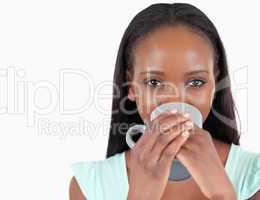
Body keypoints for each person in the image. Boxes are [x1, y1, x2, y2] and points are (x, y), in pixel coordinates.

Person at [69, 3, 260, 200]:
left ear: (216, 83)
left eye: (196, 82)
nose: (176, 99)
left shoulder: (254, 177)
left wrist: (223, 193)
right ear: (131, 87)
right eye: (154, 82)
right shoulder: (90, 186)